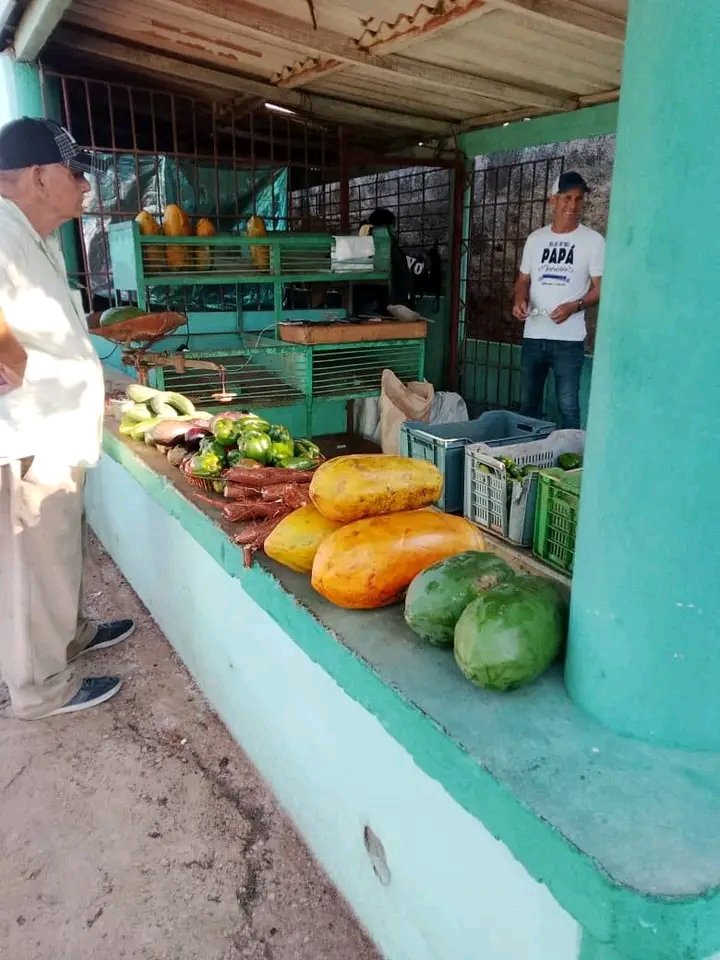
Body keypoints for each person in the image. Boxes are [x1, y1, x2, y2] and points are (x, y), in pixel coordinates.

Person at [0, 117, 135, 720]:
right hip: (28, 434)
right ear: (37, 176)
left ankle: (69, 636)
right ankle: (39, 689)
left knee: (56, 549)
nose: (84, 185)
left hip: (53, 429)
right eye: (74, 173)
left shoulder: (33, 235)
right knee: (33, 562)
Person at [512, 171, 604, 429]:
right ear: (553, 200)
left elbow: (601, 289)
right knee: (527, 406)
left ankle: (570, 453)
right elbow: (523, 279)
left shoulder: (593, 241)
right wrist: (519, 299)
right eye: (567, 198)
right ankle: (527, 450)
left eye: (578, 198)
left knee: (568, 406)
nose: (573, 205)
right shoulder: (536, 239)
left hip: (569, 340)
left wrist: (576, 306)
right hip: (534, 335)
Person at [356, 207, 414, 315]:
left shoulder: (359, 247)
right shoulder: (392, 249)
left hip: (369, 308)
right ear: (389, 227)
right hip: (390, 309)